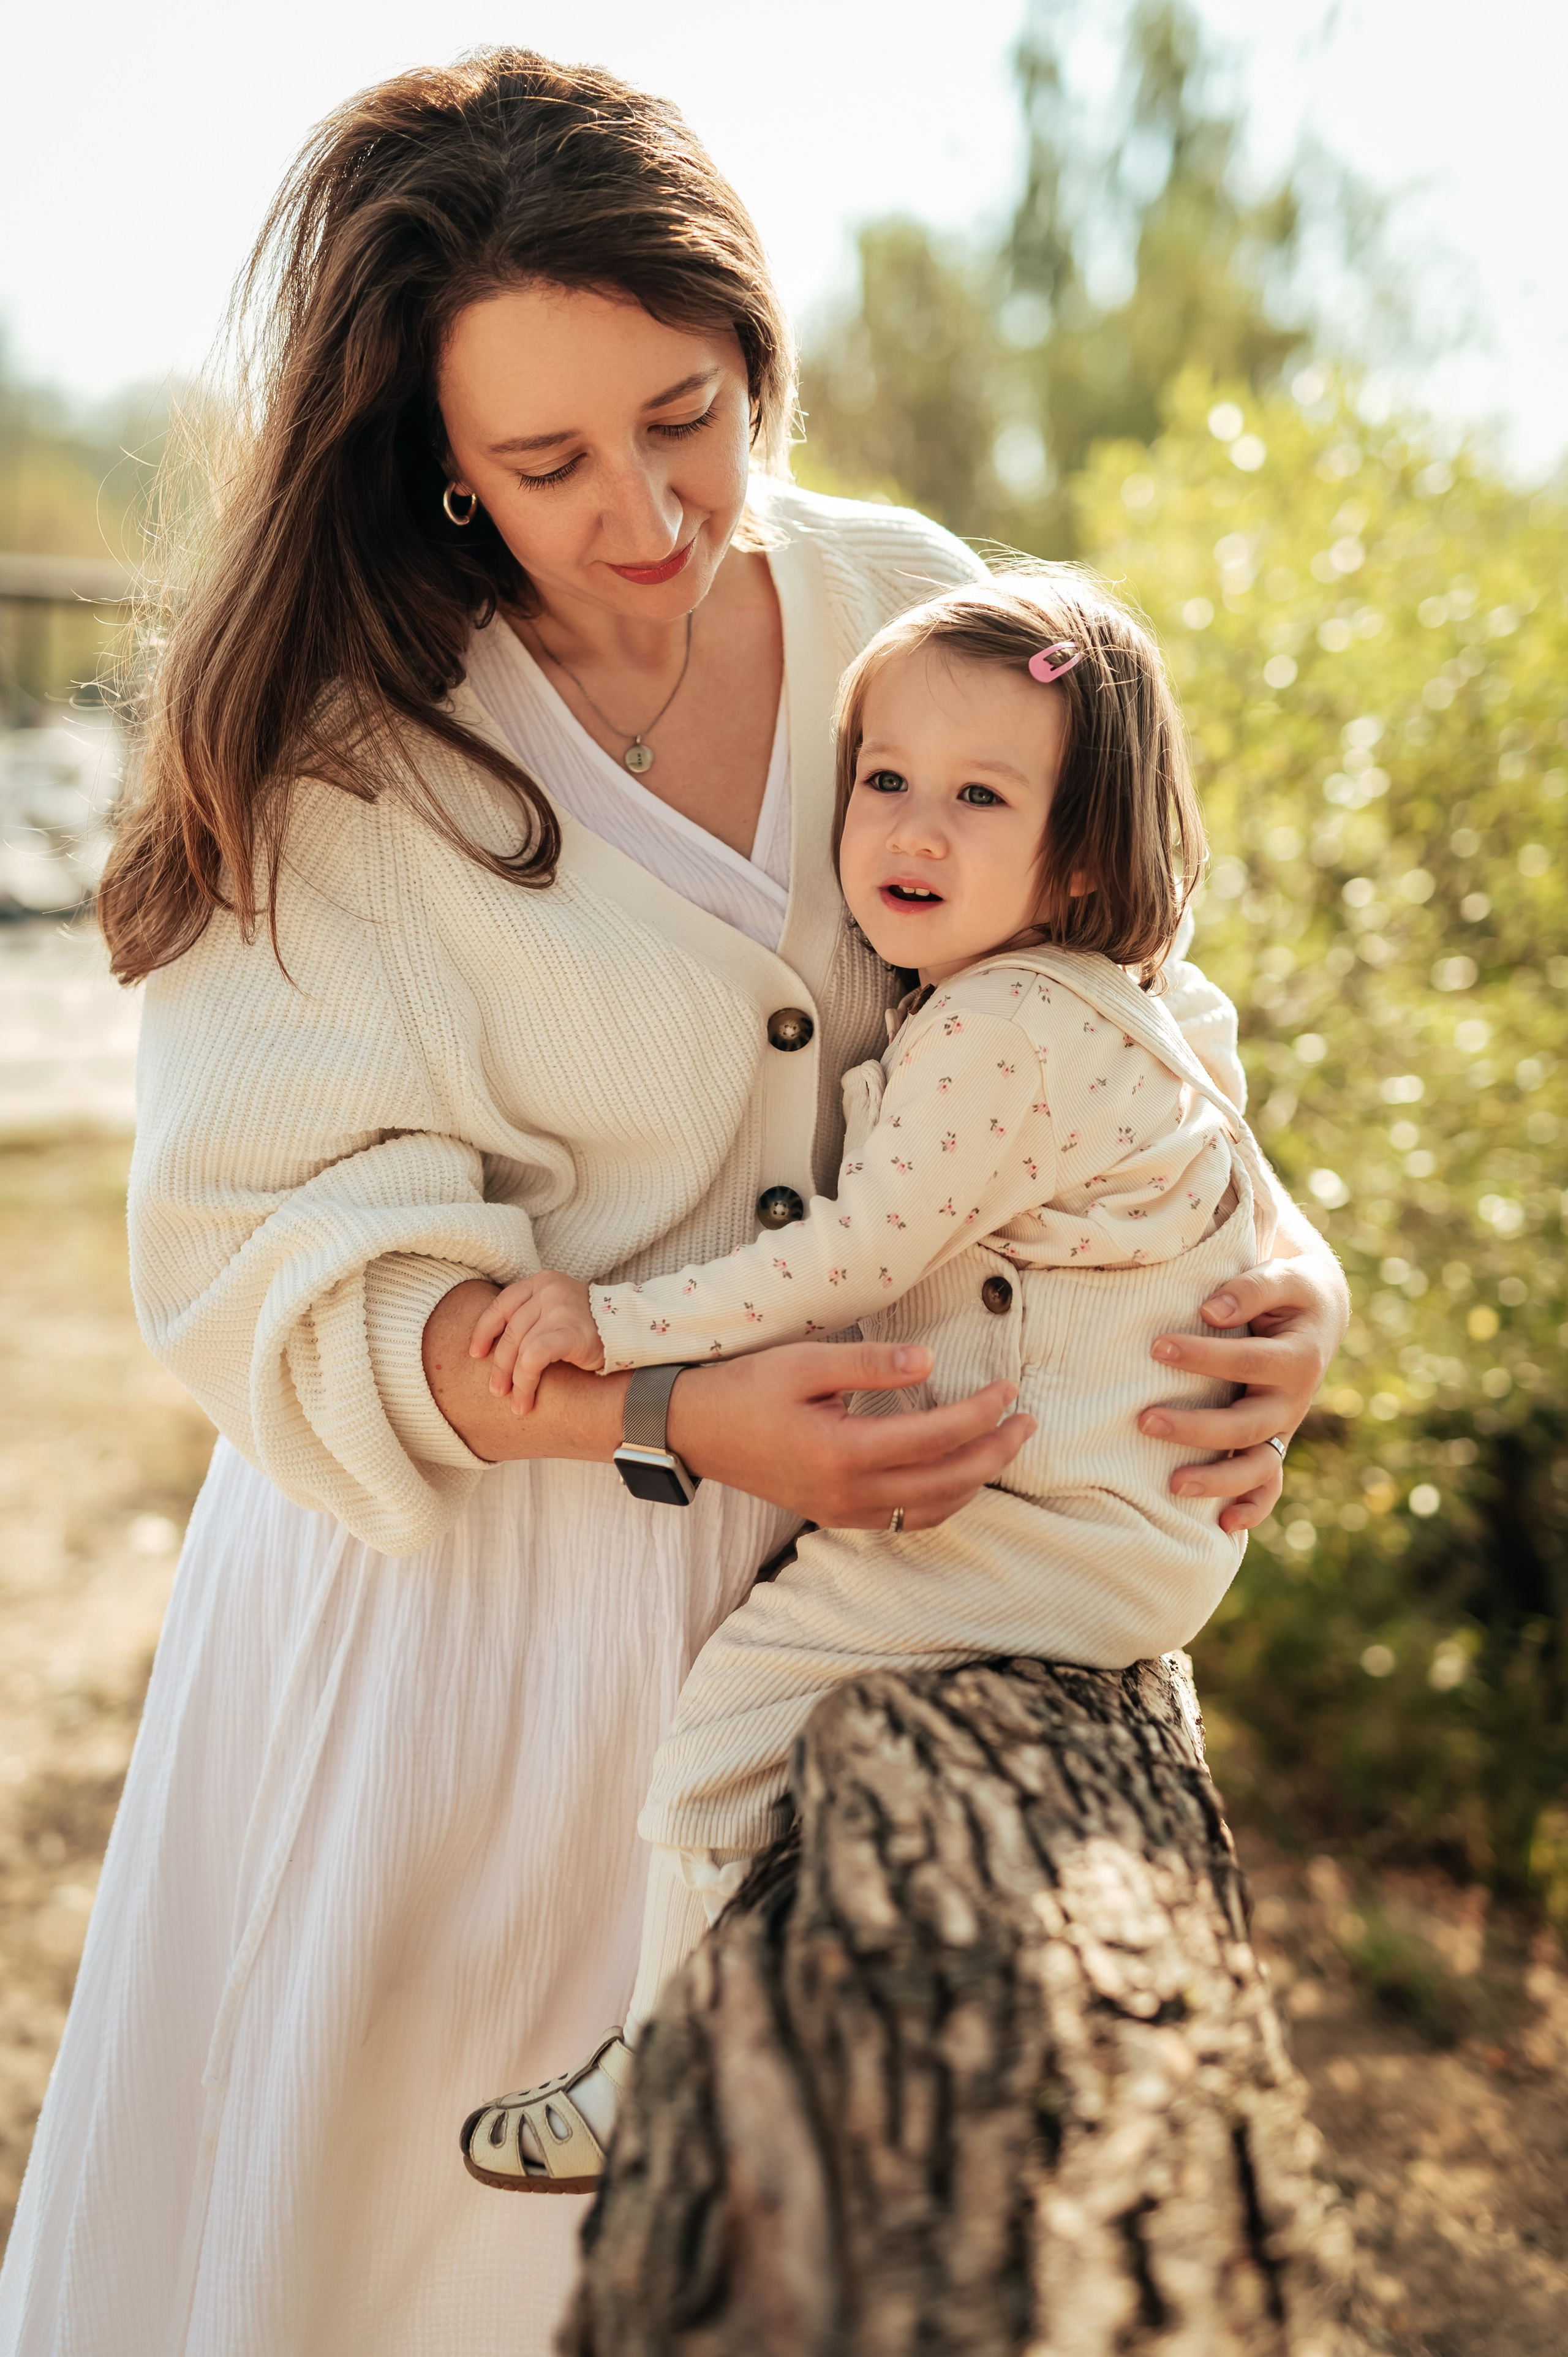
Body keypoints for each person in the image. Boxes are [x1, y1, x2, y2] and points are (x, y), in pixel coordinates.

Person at [0, 50, 1346, 2357]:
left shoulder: (912, 607)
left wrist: (1287, 1250)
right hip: (460, 1634)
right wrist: (677, 1422)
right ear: (428, 454)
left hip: (845, 1581)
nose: (647, 510)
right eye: (546, 463)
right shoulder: (341, 749)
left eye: (690, 415)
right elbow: (269, 1275)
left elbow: (1121, 981)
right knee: (386, 2264)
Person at [455, 568, 1291, 2191]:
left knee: (731, 1710)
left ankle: (662, 2074)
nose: (913, 830)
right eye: (885, 781)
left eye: (981, 796)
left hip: (1065, 1526)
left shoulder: (996, 1036)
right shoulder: (1124, 1001)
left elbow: (847, 1252)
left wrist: (611, 1321)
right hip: (1141, 1515)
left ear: (1083, 857)